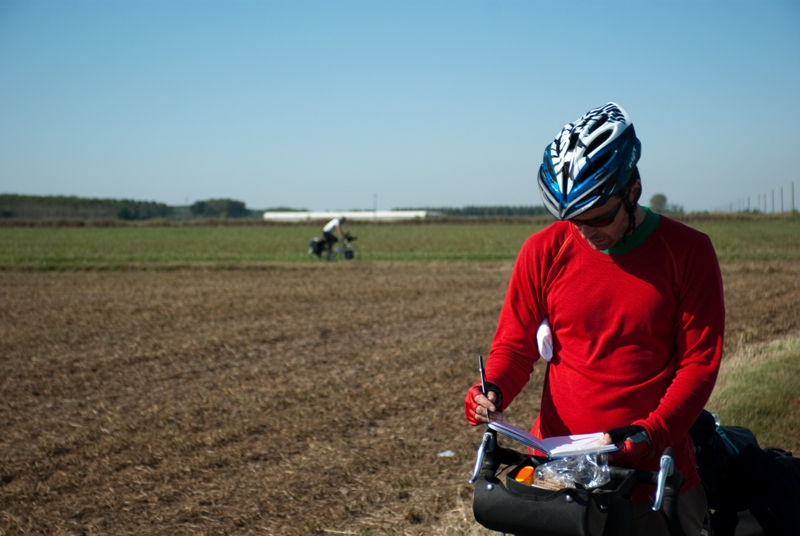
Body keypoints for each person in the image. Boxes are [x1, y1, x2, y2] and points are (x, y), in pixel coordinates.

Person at [464, 102, 724, 536]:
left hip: (648, 480)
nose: (585, 231)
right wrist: (490, 390)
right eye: (572, 219)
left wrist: (649, 434)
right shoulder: (542, 251)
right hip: (557, 477)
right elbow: (514, 347)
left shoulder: (688, 252)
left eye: (599, 216)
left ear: (633, 188)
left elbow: (699, 364)